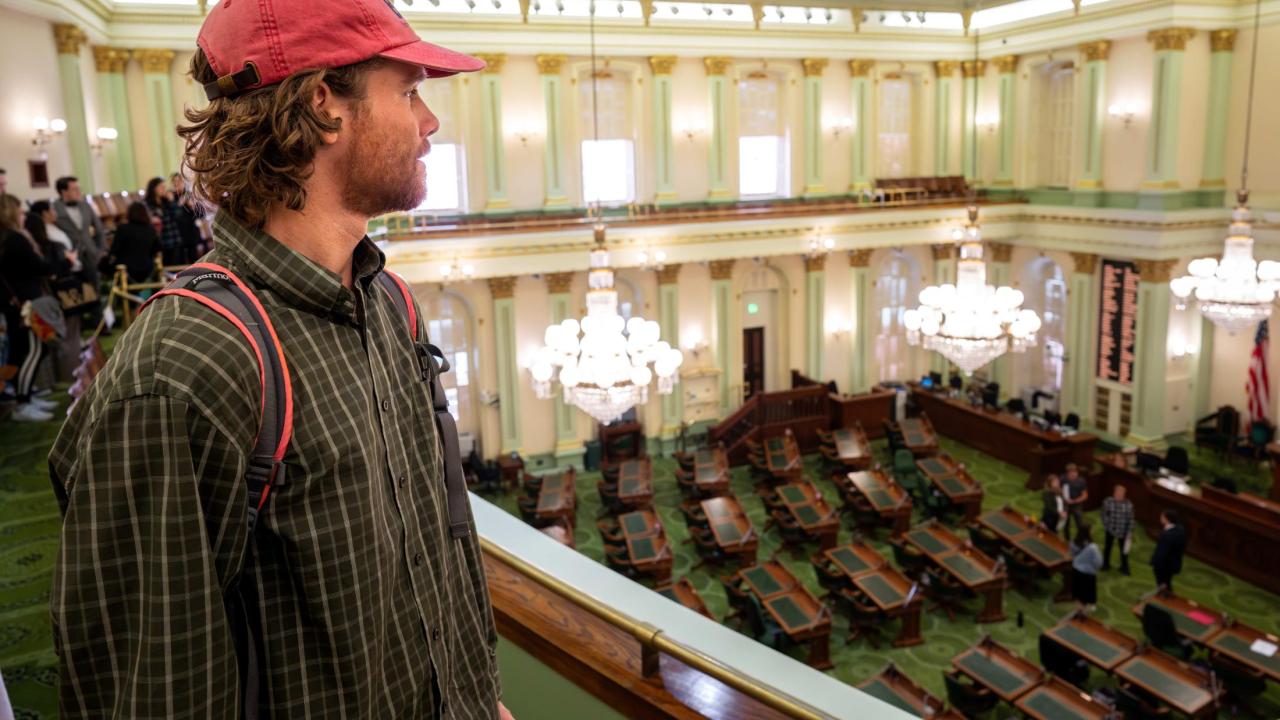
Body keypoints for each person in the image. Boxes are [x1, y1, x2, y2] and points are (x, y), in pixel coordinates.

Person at [48, 1, 510, 718]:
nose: (430, 123)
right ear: (325, 105)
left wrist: (478, 698)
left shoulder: (390, 303)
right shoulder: (186, 365)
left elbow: (436, 553)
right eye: (409, 92)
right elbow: (159, 690)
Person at [1, 195, 72, 421]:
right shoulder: (14, 239)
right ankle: (23, 403)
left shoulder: (8, 238)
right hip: (26, 303)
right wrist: (66, 262)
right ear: (10, 213)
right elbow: (39, 267)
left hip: (22, 301)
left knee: (31, 349)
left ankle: (27, 396)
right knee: (33, 350)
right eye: (20, 212)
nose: (24, 216)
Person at [51, 176, 106, 327]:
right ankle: (78, 326)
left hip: (91, 253)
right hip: (70, 257)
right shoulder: (54, 208)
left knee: (95, 288)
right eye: (74, 189)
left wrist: (100, 250)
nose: (78, 192)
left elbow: (99, 229)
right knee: (74, 291)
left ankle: (100, 325)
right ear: (63, 192)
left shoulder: (85, 205)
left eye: (78, 188)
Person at [107, 202, 162, 285]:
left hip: (126, 270)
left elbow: (114, 250)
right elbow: (158, 248)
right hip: (147, 269)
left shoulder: (123, 229)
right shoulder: (150, 229)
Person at [144, 176, 185, 267]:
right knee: (163, 267)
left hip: (173, 239)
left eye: (164, 187)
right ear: (153, 188)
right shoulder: (148, 204)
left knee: (175, 266)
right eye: (161, 187)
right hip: (160, 240)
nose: (164, 189)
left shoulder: (166, 201)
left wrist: (172, 201)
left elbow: (178, 215)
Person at [170, 172, 207, 262]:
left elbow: (202, 214)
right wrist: (177, 204)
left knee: (194, 257)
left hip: (191, 232)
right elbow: (172, 215)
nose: (177, 183)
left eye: (179, 181)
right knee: (180, 259)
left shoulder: (190, 194)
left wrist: (193, 207)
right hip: (177, 233)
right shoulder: (171, 197)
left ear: (183, 182)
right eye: (174, 181)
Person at [1100, 485, 1134, 574]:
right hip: (1110, 529)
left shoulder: (1128, 505)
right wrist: (1107, 525)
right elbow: (1103, 515)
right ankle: (1105, 564)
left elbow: (1131, 519)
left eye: (1120, 494)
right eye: (1116, 493)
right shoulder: (1107, 501)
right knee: (1107, 548)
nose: (1117, 495)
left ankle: (1124, 567)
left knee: (1124, 550)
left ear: (1124, 495)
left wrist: (1130, 532)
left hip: (1123, 531)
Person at [1150, 510, 1187, 592]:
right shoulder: (1180, 529)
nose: (1160, 518)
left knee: (1162, 583)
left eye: (1162, 517)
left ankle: (1164, 596)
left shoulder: (1167, 535)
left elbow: (1162, 552)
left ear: (1167, 519)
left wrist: (1154, 562)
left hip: (1164, 566)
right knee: (1167, 582)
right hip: (1174, 564)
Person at [1070, 524, 1102, 611]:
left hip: (1076, 569)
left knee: (1078, 593)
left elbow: (1073, 554)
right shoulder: (1092, 547)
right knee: (1088, 592)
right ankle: (1085, 612)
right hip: (1088, 573)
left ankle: (1079, 610)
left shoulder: (1074, 542)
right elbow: (1098, 562)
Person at [1062, 463, 1088, 539]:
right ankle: (1066, 540)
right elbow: (1059, 490)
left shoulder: (1081, 481)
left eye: (1075, 472)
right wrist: (1064, 498)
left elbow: (1085, 495)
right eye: (1071, 472)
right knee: (1065, 524)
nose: (1073, 474)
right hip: (1066, 504)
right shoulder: (1063, 479)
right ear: (1067, 473)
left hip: (1077, 505)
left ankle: (1080, 539)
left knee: (1079, 524)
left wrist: (1075, 501)